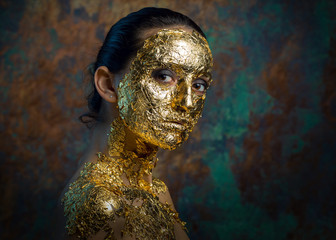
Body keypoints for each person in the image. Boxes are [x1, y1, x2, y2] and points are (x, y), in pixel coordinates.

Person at [61, 7, 213, 240]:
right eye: (164, 76)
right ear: (109, 86)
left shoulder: (156, 191)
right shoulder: (100, 207)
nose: (187, 102)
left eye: (199, 84)